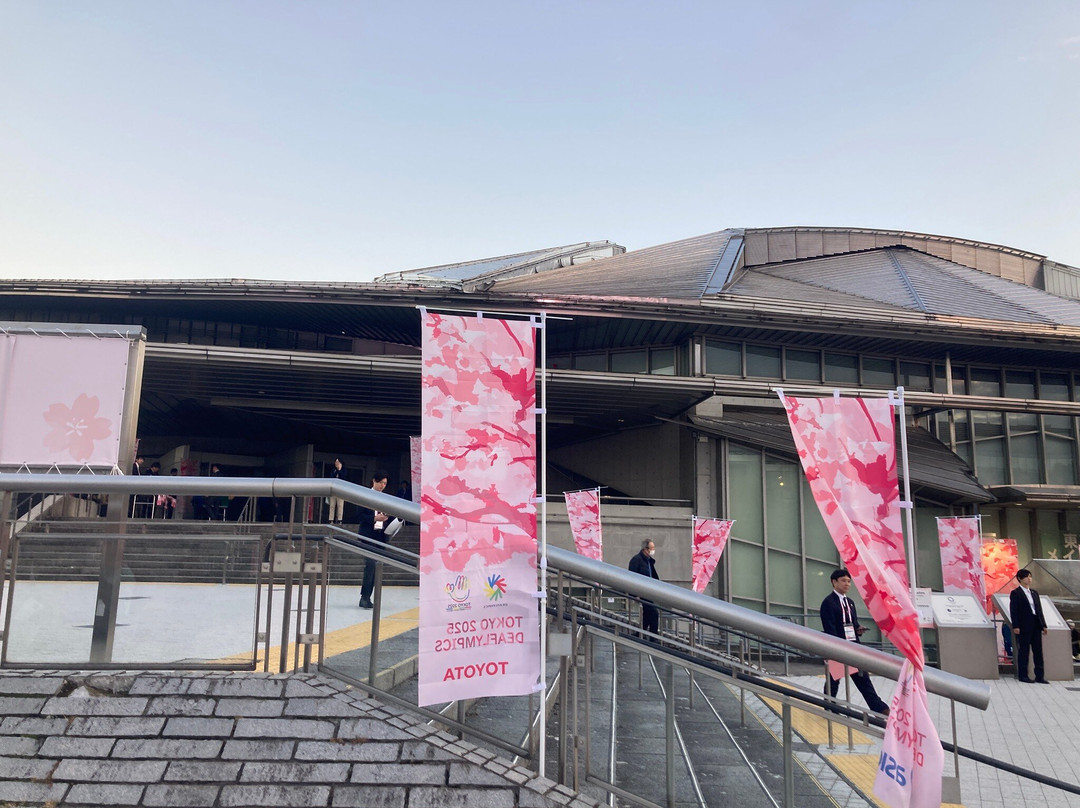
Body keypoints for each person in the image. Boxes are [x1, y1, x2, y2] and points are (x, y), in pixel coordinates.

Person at [819, 568, 890, 715]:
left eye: (849, 581)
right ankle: (829, 704)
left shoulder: (850, 603)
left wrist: (858, 628)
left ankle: (879, 707)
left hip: (853, 646)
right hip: (838, 648)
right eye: (843, 581)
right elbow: (829, 628)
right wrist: (835, 648)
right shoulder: (828, 603)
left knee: (862, 678)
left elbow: (852, 623)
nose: (847, 584)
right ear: (834, 582)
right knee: (834, 679)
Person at [357, 470, 390, 609]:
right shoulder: (365, 495)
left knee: (376, 567)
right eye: (381, 482)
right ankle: (365, 597)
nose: (383, 485)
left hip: (380, 536)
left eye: (385, 483)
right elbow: (359, 515)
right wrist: (374, 518)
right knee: (370, 565)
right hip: (368, 535)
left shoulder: (387, 498)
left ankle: (368, 597)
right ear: (374, 481)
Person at [1010, 568, 1049, 683]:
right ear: (1020, 579)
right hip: (1024, 625)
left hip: (1036, 624)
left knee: (1038, 650)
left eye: (1030, 576)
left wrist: (1043, 625)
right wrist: (1015, 626)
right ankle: (1023, 675)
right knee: (1024, 650)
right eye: (1027, 577)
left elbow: (1039, 609)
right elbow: (1014, 610)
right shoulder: (1016, 593)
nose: (1029, 579)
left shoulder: (1034, 593)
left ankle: (1040, 676)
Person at [628, 539, 660, 634]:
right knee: (653, 613)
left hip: (649, 592)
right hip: (642, 592)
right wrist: (635, 594)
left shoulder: (649, 561)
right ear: (645, 549)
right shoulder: (636, 560)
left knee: (647, 615)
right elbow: (631, 578)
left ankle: (639, 634)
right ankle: (653, 638)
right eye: (652, 548)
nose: (653, 550)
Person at [327, 458, 347, 524]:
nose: (336, 463)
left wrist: (339, 469)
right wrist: (337, 471)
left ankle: (339, 519)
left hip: (341, 490)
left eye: (337, 462)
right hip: (333, 490)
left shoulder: (344, 470)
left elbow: (343, 477)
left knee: (340, 505)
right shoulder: (333, 470)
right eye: (335, 462)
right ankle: (331, 519)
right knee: (332, 505)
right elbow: (331, 477)